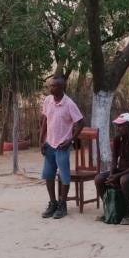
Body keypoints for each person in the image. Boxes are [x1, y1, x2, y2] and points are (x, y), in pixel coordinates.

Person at [39, 75, 84, 219]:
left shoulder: (69, 104)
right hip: (49, 144)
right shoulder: (48, 100)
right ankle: (53, 203)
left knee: (64, 177)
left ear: (61, 87)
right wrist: (41, 140)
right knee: (48, 175)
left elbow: (81, 122)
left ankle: (62, 205)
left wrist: (70, 140)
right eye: (50, 85)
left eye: (53, 86)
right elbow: (45, 120)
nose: (50, 88)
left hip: (62, 146)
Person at [94, 112, 129, 225]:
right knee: (99, 178)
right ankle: (111, 210)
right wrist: (111, 174)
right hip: (121, 170)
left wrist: (117, 175)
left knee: (124, 180)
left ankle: (127, 215)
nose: (118, 128)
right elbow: (114, 158)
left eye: (121, 125)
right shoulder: (118, 139)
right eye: (118, 125)